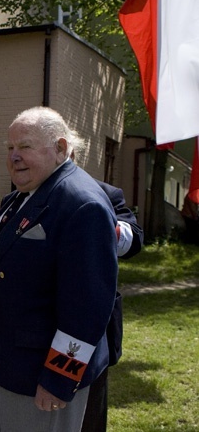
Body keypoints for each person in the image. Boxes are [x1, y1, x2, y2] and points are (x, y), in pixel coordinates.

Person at [0, 106, 119, 432]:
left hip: (39, 375)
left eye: (25, 147)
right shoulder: (25, 193)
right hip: (2, 361)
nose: (14, 157)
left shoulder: (82, 204)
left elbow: (88, 305)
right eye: (10, 148)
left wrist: (59, 377)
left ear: (61, 149)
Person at [81, 181, 143, 432]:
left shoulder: (105, 193)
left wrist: (103, 225)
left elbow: (134, 240)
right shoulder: (26, 192)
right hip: (37, 328)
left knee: (90, 414)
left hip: (95, 331)